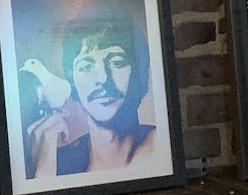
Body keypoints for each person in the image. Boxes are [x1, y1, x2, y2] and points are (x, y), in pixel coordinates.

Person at [25, 13, 156, 179]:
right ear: (71, 80)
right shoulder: (55, 163)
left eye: (116, 63)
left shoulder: (163, 148)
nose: (102, 78)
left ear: (138, 73)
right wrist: (42, 174)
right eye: (86, 67)